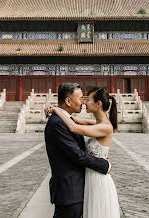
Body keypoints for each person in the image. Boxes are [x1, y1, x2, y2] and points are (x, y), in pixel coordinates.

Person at [45, 86, 120, 218]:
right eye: (81, 99)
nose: (84, 102)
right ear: (69, 101)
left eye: (87, 99)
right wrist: (57, 110)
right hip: (77, 185)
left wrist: (56, 109)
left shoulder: (104, 126)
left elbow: (73, 127)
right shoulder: (94, 123)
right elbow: (73, 121)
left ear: (98, 104)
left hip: (96, 179)